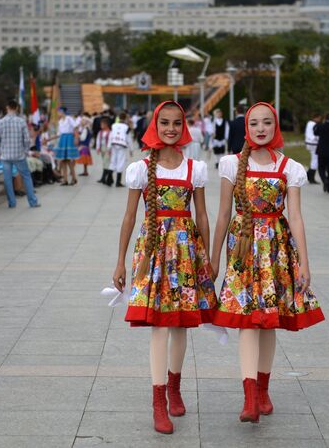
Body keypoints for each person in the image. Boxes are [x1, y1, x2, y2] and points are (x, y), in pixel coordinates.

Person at [210, 102, 324, 424]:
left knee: (268, 320)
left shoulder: (290, 168)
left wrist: (304, 262)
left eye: (267, 123)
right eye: (255, 123)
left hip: (276, 249)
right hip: (243, 248)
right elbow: (222, 216)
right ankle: (249, 397)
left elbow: (297, 218)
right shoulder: (231, 164)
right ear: (247, 128)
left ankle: (262, 389)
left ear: (275, 128)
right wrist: (214, 257)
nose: (261, 129)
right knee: (247, 319)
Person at [112, 101, 218, 435]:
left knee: (180, 326)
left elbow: (201, 214)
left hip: (187, 251)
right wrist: (119, 260)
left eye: (176, 123)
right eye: (164, 123)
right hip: (153, 252)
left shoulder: (194, 169)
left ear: (183, 126)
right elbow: (130, 216)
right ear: (154, 126)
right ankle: (158, 400)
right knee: (158, 324)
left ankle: (175, 386)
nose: (170, 129)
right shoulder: (141, 168)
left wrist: (209, 259)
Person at [0, 100, 40, 208]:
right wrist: (25, 151)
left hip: (5, 155)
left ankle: (12, 203)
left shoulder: (0, 122)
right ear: (16, 108)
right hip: (19, 155)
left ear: (7, 108)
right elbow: (27, 140)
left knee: (7, 179)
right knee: (26, 177)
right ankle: (32, 202)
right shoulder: (21, 121)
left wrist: (0, 152)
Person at [52, 106, 79, 186]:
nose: (58, 113)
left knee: (68, 159)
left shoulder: (69, 118)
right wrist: (48, 140)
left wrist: (76, 138)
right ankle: (65, 179)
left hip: (69, 138)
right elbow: (59, 134)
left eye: (59, 112)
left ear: (62, 112)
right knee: (63, 160)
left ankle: (73, 178)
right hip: (63, 139)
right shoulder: (60, 121)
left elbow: (75, 127)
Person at [108, 114, 132, 187]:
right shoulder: (127, 127)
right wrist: (131, 149)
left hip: (114, 144)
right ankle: (118, 182)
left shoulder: (113, 125)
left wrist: (108, 146)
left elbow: (110, 136)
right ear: (125, 119)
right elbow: (129, 139)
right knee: (120, 162)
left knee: (113, 161)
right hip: (122, 145)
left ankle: (109, 179)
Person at [304, 114, 321, 184]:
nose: (319, 120)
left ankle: (309, 175)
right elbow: (315, 135)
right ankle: (311, 177)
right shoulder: (314, 124)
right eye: (319, 118)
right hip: (313, 143)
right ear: (315, 118)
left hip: (309, 143)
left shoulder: (309, 123)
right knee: (315, 160)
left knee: (314, 159)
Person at [96, 118, 112, 185]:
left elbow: (110, 141)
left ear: (106, 124)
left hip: (107, 148)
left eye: (102, 124)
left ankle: (104, 178)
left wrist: (109, 149)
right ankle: (105, 178)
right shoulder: (100, 132)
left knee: (106, 163)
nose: (101, 125)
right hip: (102, 148)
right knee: (104, 162)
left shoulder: (110, 132)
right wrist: (98, 148)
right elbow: (98, 140)